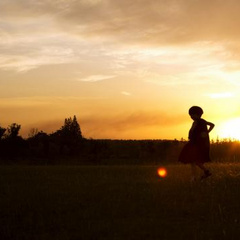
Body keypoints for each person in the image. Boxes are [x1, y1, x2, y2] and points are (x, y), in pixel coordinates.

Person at [178, 106, 215, 181]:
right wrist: (206, 132)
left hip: (197, 144)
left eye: (192, 115)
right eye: (190, 115)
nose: (191, 116)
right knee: (192, 161)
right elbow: (212, 125)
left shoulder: (199, 122)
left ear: (198, 114)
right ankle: (195, 176)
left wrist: (206, 132)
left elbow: (212, 125)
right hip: (195, 143)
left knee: (195, 160)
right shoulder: (201, 122)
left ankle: (206, 171)